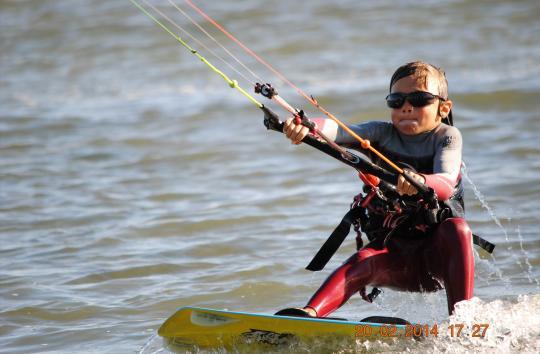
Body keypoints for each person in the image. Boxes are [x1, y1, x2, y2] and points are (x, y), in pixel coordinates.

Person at [279, 61, 474, 317]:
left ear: (443, 108)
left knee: (457, 229)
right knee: (361, 261)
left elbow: (446, 181)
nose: (406, 106)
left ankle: (463, 323)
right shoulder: (380, 134)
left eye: (420, 99)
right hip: (396, 260)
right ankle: (308, 315)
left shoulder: (447, 136)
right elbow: (338, 131)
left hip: (438, 261)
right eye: (396, 100)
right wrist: (306, 126)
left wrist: (421, 181)